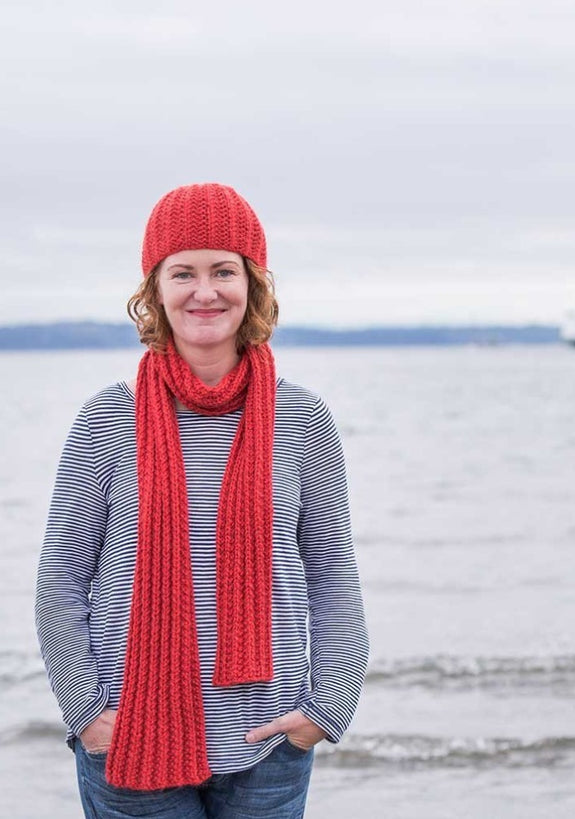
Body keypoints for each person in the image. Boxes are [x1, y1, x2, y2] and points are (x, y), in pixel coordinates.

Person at [35, 182, 369, 819]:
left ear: (254, 285)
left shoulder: (301, 419)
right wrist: (87, 713)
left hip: (268, 741)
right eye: (182, 272)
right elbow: (60, 582)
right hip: (130, 736)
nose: (205, 290)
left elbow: (332, 576)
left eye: (224, 270)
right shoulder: (107, 418)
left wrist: (326, 709)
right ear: (154, 291)